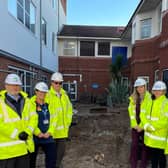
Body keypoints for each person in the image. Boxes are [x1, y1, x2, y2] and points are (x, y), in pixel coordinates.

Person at [0, 73, 37, 168]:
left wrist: (27, 132)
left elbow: (34, 118)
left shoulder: (27, 102)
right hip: (7, 153)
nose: (15, 87)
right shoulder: (1, 103)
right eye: (12, 85)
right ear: (6, 86)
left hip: (24, 149)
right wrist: (17, 134)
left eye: (17, 85)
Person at [47, 72, 73, 168]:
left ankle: (58, 165)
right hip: (51, 133)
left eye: (60, 83)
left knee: (61, 154)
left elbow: (69, 110)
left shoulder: (64, 96)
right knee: (51, 156)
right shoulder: (47, 95)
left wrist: (68, 123)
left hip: (62, 132)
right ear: (52, 83)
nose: (58, 85)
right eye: (56, 83)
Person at [30, 82, 57, 168]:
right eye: (40, 91)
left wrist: (49, 132)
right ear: (36, 91)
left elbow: (54, 119)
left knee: (52, 159)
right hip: (34, 137)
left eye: (44, 92)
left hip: (48, 137)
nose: (42, 94)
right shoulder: (29, 104)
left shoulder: (49, 104)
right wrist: (38, 132)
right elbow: (29, 121)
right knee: (31, 161)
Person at [144, 81, 168, 168]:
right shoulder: (150, 102)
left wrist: (151, 127)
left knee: (161, 159)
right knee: (153, 159)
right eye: (155, 90)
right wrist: (146, 125)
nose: (157, 92)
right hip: (151, 138)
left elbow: (165, 121)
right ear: (153, 91)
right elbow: (144, 115)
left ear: (163, 91)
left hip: (160, 137)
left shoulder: (166, 103)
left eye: (160, 90)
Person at [128, 78, 151, 168]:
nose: (140, 89)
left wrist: (141, 126)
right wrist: (135, 125)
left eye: (142, 87)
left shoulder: (149, 98)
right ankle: (133, 164)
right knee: (134, 145)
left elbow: (149, 114)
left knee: (145, 146)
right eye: (138, 87)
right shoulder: (133, 98)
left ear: (145, 87)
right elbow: (131, 113)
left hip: (145, 125)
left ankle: (143, 164)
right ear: (135, 88)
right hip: (135, 125)